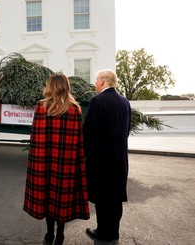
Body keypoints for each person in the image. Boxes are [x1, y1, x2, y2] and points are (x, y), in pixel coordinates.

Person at [23, 74, 90, 245]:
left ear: (50, 86)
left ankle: (49, 234)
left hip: (44, 161)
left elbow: (35, 137)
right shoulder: (75, 109)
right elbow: (78, 140)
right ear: (66, 86)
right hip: (66, 163)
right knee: (61, 198)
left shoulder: (40, 107)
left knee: (46, 196)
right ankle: (60, 235)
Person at [83, 69, 131, 242]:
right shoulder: (125, 101)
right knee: (115, 197)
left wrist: (85, 154)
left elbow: (90, 132)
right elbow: (126, 130)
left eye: (96, 80)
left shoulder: (97, 101)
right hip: (120, 159)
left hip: (102, 161)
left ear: (103, 82)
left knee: (102, 198)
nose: (95, 84)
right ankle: (113, 232)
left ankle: (103, 232)